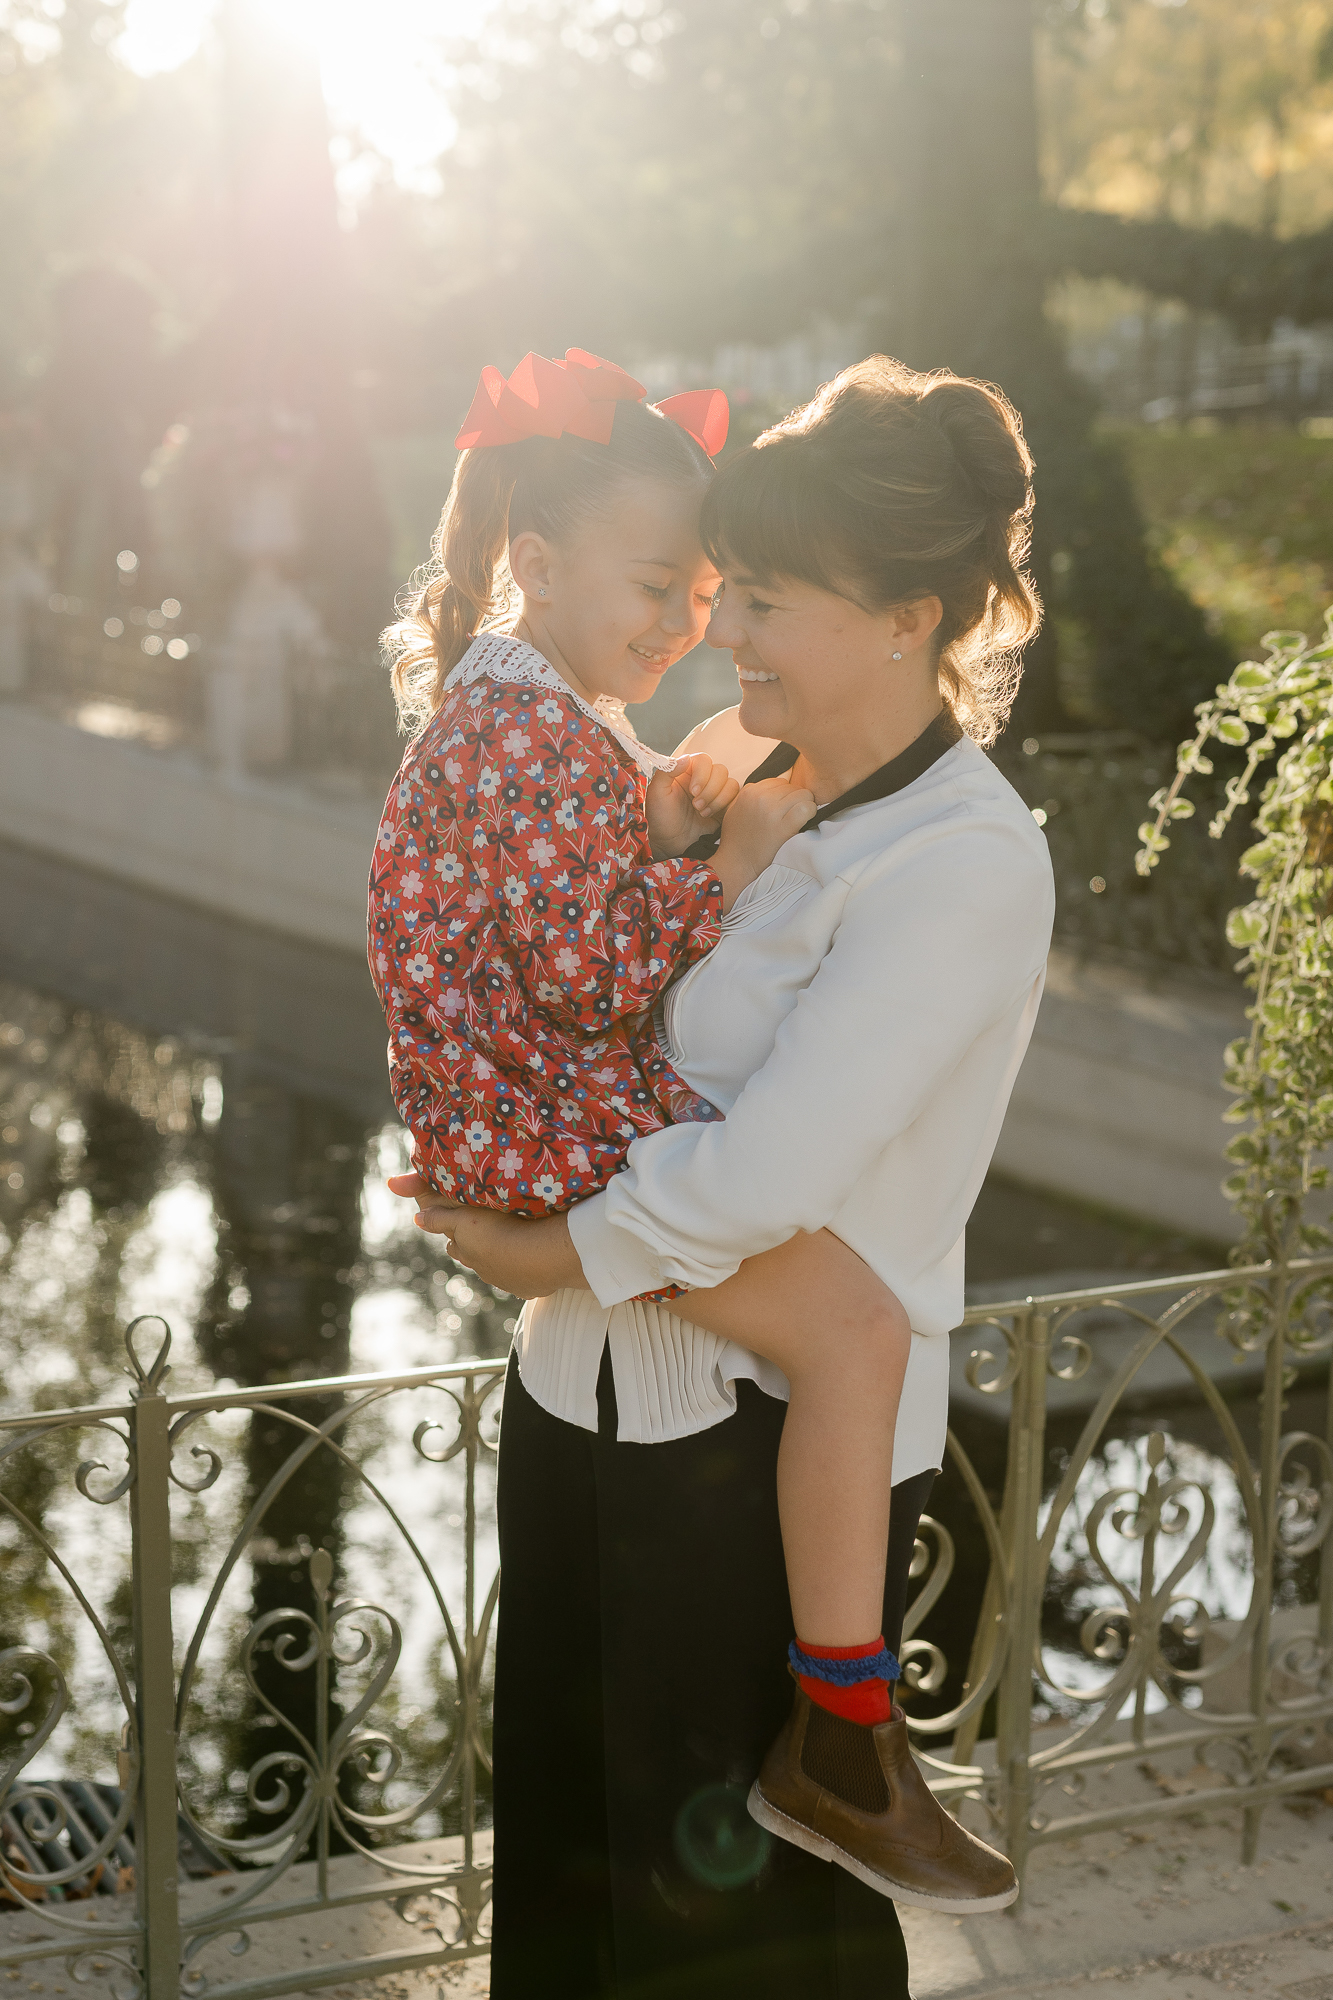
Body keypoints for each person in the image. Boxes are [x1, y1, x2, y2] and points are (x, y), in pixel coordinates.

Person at [394, 354, 1057, 2000]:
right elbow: (563, 992)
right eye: (716, 590)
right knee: (572, 1898)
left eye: (760, 597)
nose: (724, 631)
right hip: (580, 1412)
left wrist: (548, 1248)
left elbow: (766, 1171)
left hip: (761, 1462)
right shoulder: (721, 763)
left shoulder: (961, 861)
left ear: (908, 614)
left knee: (746, 1948)